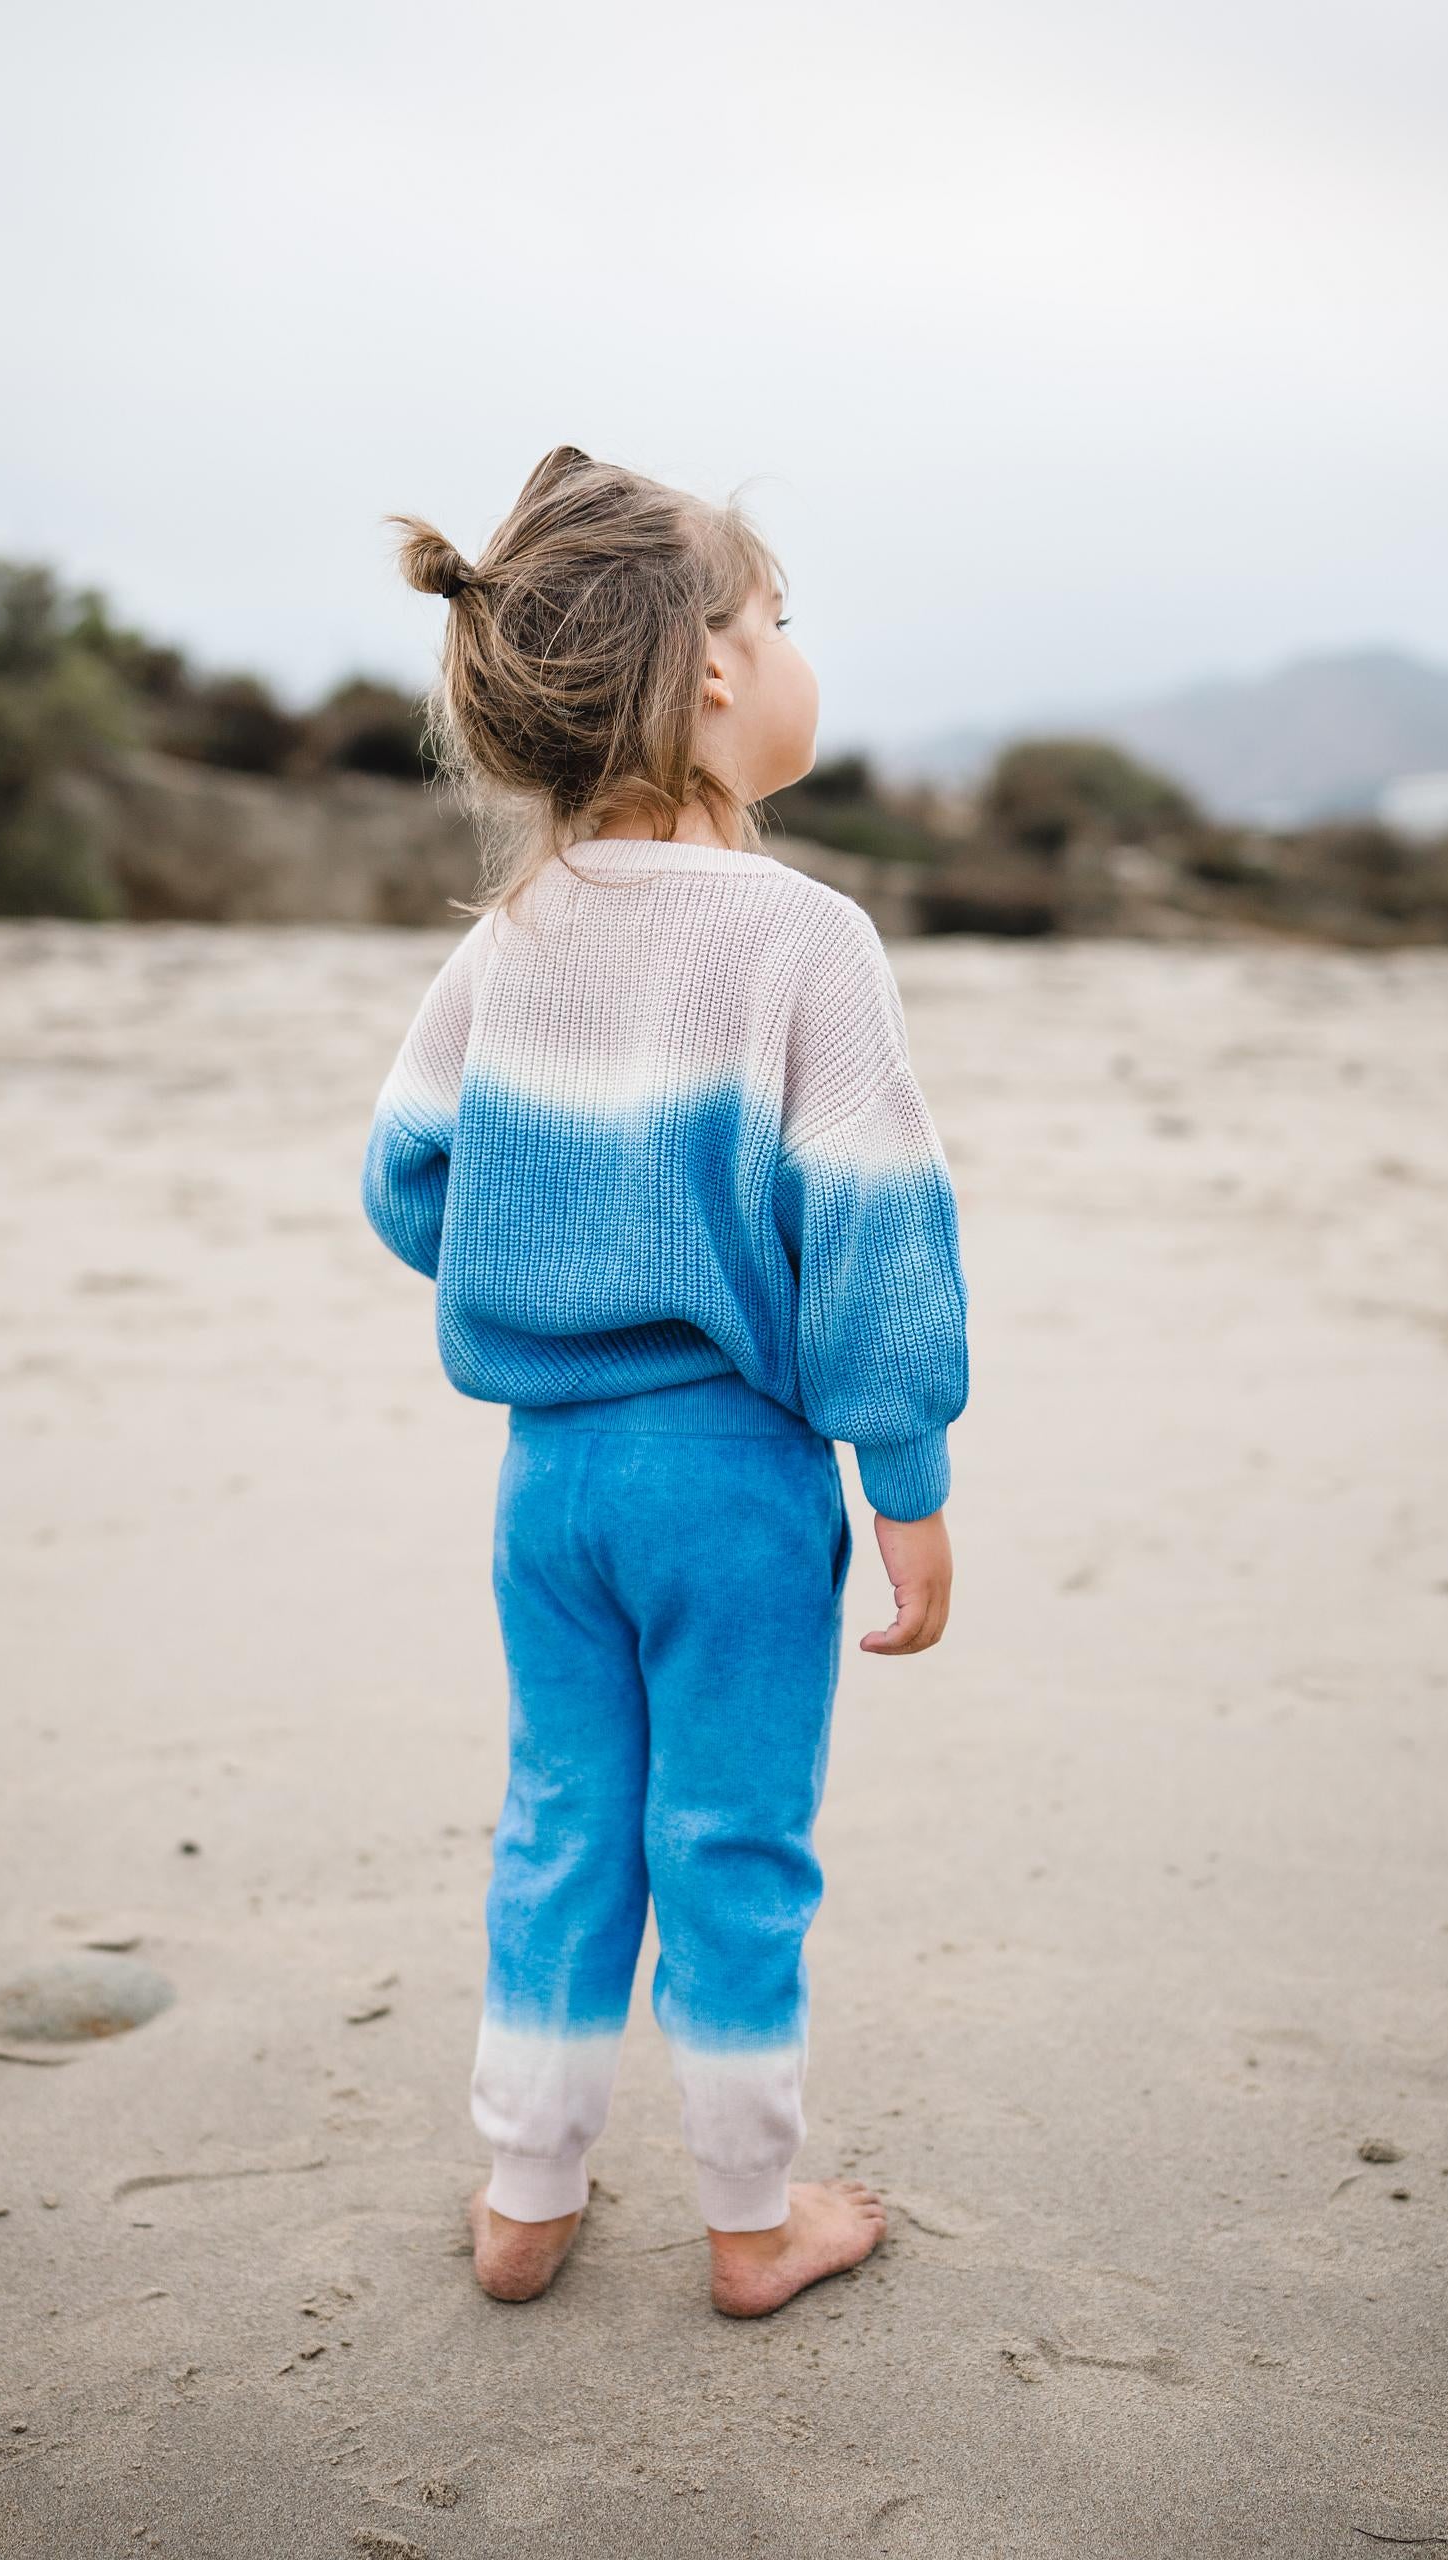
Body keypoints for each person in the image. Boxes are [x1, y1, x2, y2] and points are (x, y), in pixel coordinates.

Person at [359, 445, 969, 2318]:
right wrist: (911, 1484)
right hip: (737, 1486)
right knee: (728, 1838)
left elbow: (405, 1179)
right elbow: (874, 1242)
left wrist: (551, 1258)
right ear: (711, 674)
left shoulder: (508, 941)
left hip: (553, 1485)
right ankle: (749, 2221)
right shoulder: (806, 941)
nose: (791, 651)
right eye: (774, 620)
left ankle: (527, 2198)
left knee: (564, 1817)